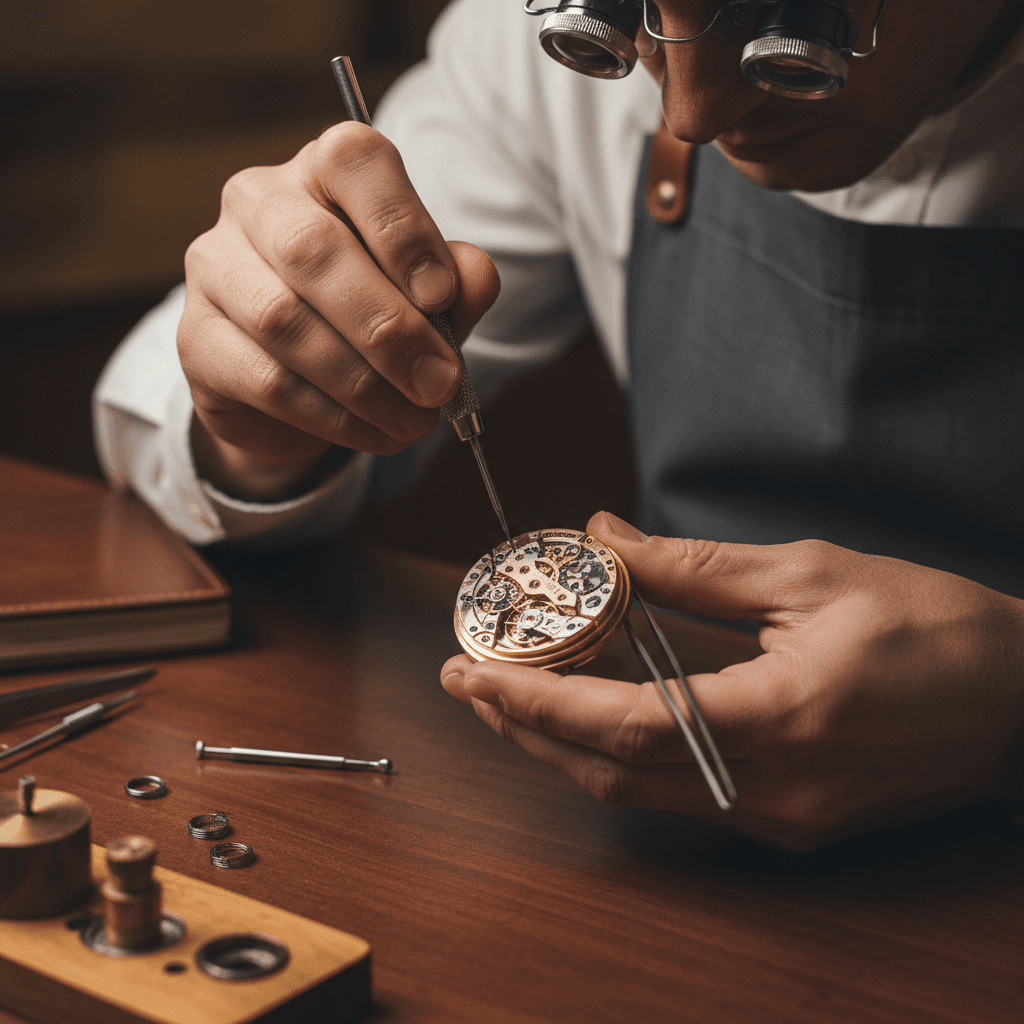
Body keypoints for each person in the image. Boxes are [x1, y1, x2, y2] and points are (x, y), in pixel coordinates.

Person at [94, 0, 1024, 849]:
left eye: (797, 20)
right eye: (633, 18)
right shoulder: (525, 44)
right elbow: (170, 399)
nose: (692, 117)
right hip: (671, 870)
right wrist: (264, 419)